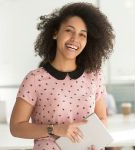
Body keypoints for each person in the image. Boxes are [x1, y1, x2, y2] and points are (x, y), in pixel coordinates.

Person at [10, 2, 115, 150]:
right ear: (55, 33)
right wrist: (55, 129)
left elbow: (102, 118)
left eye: (82, 35)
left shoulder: (94, 76)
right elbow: (16, 127)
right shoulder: (35, 79)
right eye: (69, 30)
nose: (74, 39)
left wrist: (96, 142)